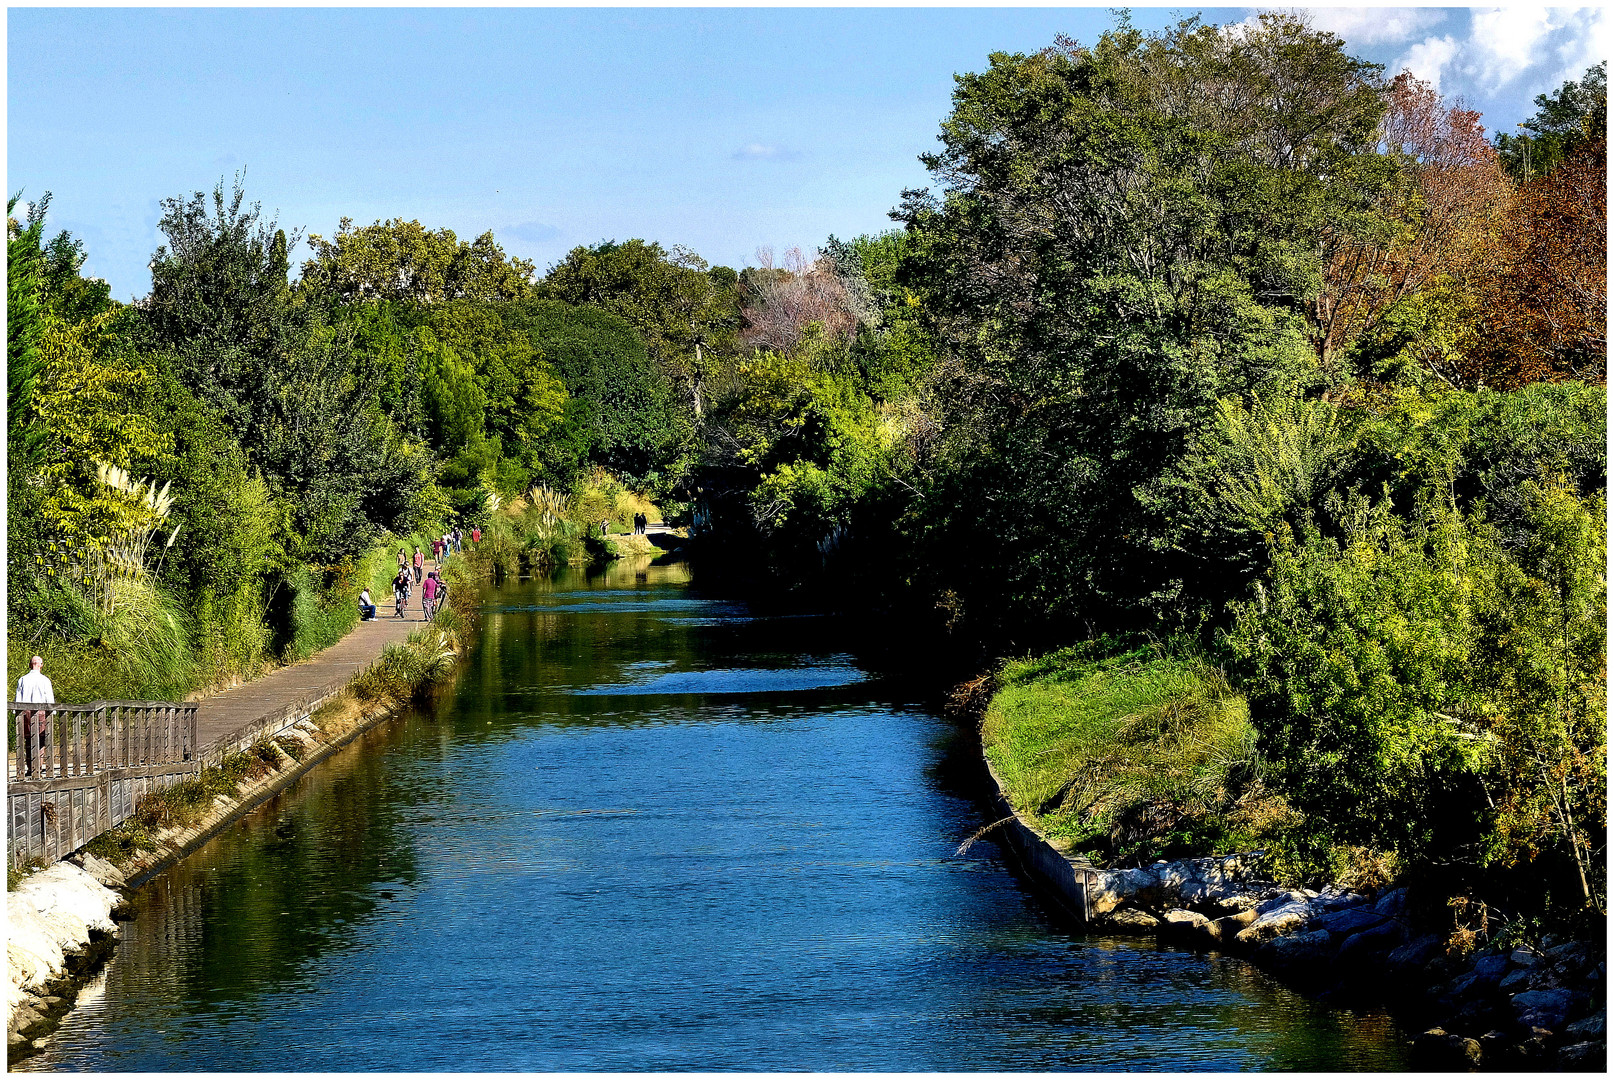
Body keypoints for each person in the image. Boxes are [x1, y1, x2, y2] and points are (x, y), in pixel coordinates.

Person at [15, 655, 55, 775]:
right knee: (41, 739)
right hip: (41, 712)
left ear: (29, 664)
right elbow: (49, 698)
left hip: (25, 712)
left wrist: (16, 713)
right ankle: (38, 766)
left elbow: (18, 698)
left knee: (28, 740)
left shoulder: (22, 679)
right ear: (41, 665)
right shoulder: (45, 680)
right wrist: (52, 712)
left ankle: (29, 767)